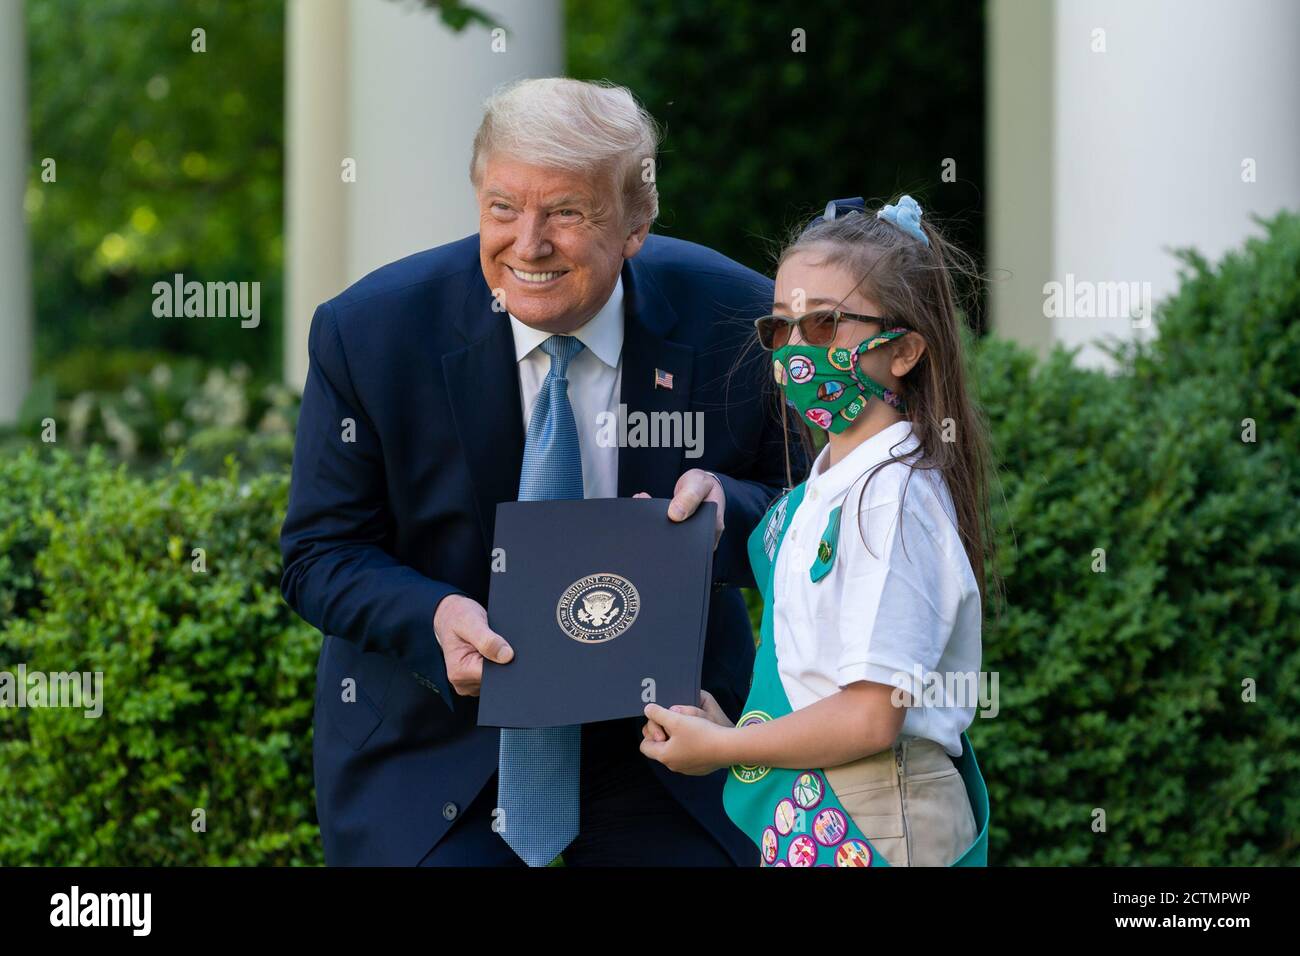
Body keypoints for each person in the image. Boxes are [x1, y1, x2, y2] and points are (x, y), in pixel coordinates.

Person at [279, 77, 794, 866]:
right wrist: (435, 617)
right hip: (440, 744)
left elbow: (817, 510)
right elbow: (320, 554)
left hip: (673, 740)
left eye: (567, 212)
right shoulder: (370, 332)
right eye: (503, 208)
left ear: (635, 223)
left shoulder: (737, 320)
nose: (528, 243)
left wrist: (732, 515)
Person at [641, 195, 993, 867]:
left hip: (877, 812)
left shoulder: (891, 497)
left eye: (826, 325)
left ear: (906, 350)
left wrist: (725, 750)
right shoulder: (828, 486)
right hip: (825, 805)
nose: (797, 350)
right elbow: (819, 681)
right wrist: (731, 729)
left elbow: (869, 716)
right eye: (781, 328)